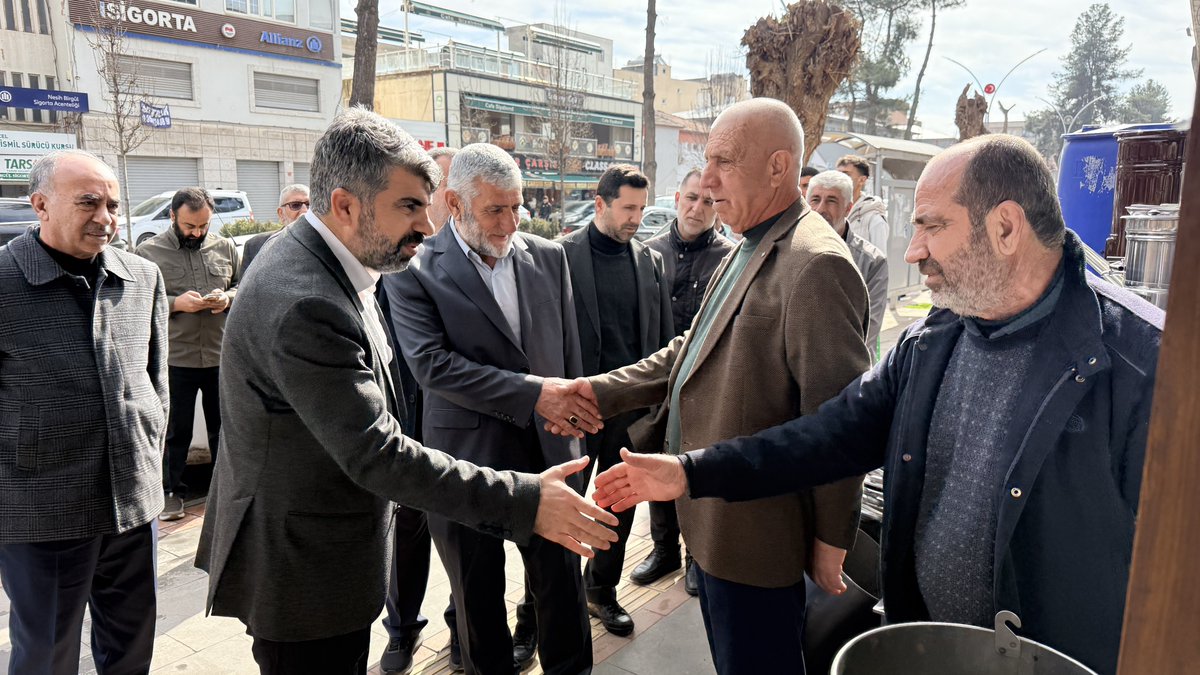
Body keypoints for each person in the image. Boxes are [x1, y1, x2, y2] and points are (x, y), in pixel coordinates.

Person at [593, 134, 1164, 675]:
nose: (914, 252)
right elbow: (828, 436)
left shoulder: (1146, 369)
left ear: (1006, 227)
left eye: (932, 226)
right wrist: (690, 471)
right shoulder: (933, 339)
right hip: (923, 647)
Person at [193, 108, 617, 675]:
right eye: (410, 207)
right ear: (346, 205)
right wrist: (527, 500)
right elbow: (377, 451)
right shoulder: (307, 300)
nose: (427, 226)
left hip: (319, 552)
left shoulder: (325, 264)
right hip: (304, 570)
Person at [555, 99, 870, 673]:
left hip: (757, 539)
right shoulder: (750, 243)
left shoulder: (816, 263)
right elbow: (690, 349)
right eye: (707, 162)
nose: (708, 180)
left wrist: (831, 539)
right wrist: (599, 390)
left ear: (778, 167)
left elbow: (840, 425)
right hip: (715, 522)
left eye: (725, 162)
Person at [385, 143, 597, 675]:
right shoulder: (414, 268)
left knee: (562, 591)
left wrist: (575, 429)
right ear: (455, 203)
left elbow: (568, 356)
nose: (510, 223)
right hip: (465, 461)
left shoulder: (548, 257)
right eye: (495, 209)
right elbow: (432, 365)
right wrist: (534, 393)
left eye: (517, 206)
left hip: (550, 452)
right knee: (477, 600)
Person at [0, 149, 169, 673]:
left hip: (132, 502)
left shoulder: (142, 276)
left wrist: (148, 456)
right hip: (42, 511)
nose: (105, 218)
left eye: (113, 205)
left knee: (132, 645)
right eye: (88, 203)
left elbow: (156, 383)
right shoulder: (3, 281)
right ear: (41, 206)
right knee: (47, 653)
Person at [557, 164, 673, 638]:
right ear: (600, 204)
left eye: (642, 209)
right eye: (628, 208)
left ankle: (601, 590)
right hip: (575, 410)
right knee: (561, 506)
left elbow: (663, 341)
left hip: (629, 413)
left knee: (618, 506)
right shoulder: (559, 257)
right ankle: (539, 608)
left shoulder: (650, 261)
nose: (636, 219)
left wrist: (657, 408)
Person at [374, 144, 460, 674]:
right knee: (406, 535)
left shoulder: (474, 263)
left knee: (462, 533)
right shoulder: (388, 256)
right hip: (402, 422)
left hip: (457, 427)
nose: (436, 203)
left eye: (441, 189)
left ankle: (462, 622)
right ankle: (402, 630)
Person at [636, 168, 734, 594]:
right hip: (656, 385)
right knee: (656, 464)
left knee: (697, 470)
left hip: (706, 386)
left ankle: (697, 554)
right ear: (677, 199)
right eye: (691, 198)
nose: (697, 208)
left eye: (708, 201)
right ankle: (664, 550)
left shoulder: (731, 259)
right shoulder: (648, 253)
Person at [136, 187, 240, 521]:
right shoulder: (149, 252)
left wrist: (227, 298)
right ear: (172, 217)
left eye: (203, 226)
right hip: (175, 359)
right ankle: (170, 492)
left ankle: (225, 490)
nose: (197, 232)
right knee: (174, 432)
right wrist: (175, 303)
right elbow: (137, 302)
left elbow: (242, 286)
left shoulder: (224, 247)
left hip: (220, 356)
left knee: (224, 428)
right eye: (189, 226)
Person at [808, 170, 888, 361]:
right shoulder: (788, 250)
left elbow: (869, 328)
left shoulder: (872, 261)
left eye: (831, 201)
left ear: (848, 208)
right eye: (815, 200)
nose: (820, 209)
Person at [240, 183, 309, 275]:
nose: (305, 211)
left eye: (309, 205)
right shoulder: (256, 246)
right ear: (281, 214)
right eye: (295, 205)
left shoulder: (326, 244)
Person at [837, 154, 890, 255]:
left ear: (862, 180)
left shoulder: (874, 218)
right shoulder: (832, 212)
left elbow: (879, 258)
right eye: (837, 174)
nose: (839, 179)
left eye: (846, 174)